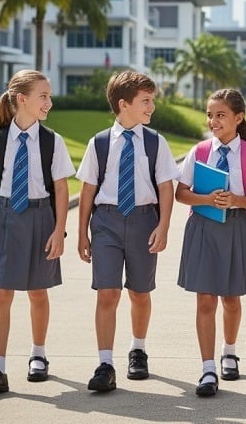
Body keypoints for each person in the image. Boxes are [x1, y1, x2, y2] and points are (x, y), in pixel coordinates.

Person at [76, 70, 179, 392]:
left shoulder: (155, 142)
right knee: (108, 292)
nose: (151, 107)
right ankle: (105, 363)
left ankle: (138, 349)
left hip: (144, 221)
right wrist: (81, 234)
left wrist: (163, 226)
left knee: (139, 291)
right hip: (105, 221)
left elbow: (165, 188)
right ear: (124, 104)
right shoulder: (100, 143)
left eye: (152, 101)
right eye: (145, 101)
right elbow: (88, 190)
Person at [0, 70, 75, 393]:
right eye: (43, 96)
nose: (49, 102)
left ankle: (38, 355)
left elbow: (61, 189)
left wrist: (59, 231)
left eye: (49, 95)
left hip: (40, 217)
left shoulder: (52, 141)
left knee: (37, 291)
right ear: (22, 99)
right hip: (5, 218)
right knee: (1, 293)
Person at [176, 88, 246, 397]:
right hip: (202, 227)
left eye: (221, 115)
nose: (213, 121)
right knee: (205, 299)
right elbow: (181, 193)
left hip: (235, 228)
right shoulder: (200, 151)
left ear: (238, 118)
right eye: (209, 114)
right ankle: (207, 369)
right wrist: (206, 198)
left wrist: (236, 200)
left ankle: (229, 352)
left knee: (231, 298)